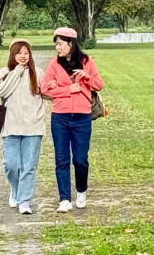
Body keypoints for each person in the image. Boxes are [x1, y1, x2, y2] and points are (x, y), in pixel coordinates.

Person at [40, 27, 103, 213]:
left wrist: (87, 78)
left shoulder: (87, 62)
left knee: (80, 159)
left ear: (71, 44)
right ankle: (65, 199)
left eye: (60, 44)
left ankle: (81, 191)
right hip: (60, 117)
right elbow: (44, 89)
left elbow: (99, 84)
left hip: (82, 117)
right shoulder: (54, 64)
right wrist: (67, 90)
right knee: (62, 159)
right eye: (56, 44)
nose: (57, 48)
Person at [0, 39, 46, 215]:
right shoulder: (5, 72)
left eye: (26, 53)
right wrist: (16, 72)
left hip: (33, 126)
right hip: (11, 125)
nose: (23, 56)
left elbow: (47, 93)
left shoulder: (38, 72)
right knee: (11, 164)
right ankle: (15, 189)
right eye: (19, 53)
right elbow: (2, 92)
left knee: (29, 166)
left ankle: (24, 200)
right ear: (12, 55)